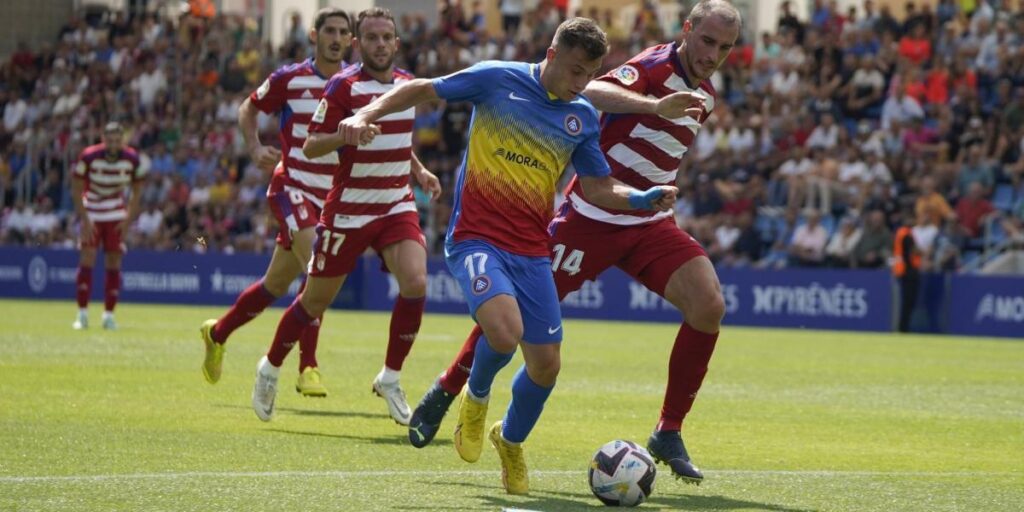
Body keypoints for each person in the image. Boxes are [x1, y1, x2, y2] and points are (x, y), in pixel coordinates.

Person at [407, 0, 740, 488]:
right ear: (687, 30)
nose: (713, 54)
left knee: (709, 305)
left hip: (647, 221)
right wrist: (652, 104)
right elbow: (595, 90)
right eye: (707, 41)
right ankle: (448, 389)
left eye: (725, 47)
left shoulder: (706, 93)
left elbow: (658, 150)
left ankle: (668, 431)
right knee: (508, 318)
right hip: (587, 218)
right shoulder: (651, 66)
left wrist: (652, 194)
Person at [339, 17, 677, 495]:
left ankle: (510, 440)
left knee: (546, 366)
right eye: (576, 70)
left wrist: (642, 197)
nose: (582, 83)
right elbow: (420, 87)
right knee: (503, 330)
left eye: (591, 74)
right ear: (553, 52)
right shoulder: (497, 78)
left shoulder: (581, 115)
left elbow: (600, 187)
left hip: (533, 250)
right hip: (476, 239)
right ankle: (474, 401)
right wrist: (364, 115)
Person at [250, 7, 442, 424]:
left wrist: (419, 170)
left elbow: (396, 138)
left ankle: (390, 377)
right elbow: (311, 146)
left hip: (394, 202)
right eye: (370, 38)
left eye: (385, 38)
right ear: (359, 44)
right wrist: (344, 133)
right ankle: (269, 367)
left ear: (396, 43)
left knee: (416, 281)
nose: (379, 45)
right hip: (349, 209)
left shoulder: (408, 85)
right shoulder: (342, 86)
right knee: (315, 301)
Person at [199, 8, 352, 397]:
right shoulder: (289, 78)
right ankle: (308, 367)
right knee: (318, 268)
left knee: (275, 285)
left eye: (343, 32)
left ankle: (218, 334)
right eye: (329, 31)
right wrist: (253, 146)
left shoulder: (356, 83)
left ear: (351, 39)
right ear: (314, 35)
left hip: (331, 197)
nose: (336, 38)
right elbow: (248, 107)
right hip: (292, 186)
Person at [71, 122, 147, 330]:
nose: (113, 144)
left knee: (114, 262)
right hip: (92, 211)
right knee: (87, 258)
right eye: (109, 140)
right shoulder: (88, 156)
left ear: (122, 140)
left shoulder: (132, 159)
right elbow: (76, 189)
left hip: (116, 213)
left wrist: (128, 220)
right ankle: (82, 314)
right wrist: (84, 219)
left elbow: (137, 192)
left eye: (117, 140)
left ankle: (109, 315)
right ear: (102, 138)